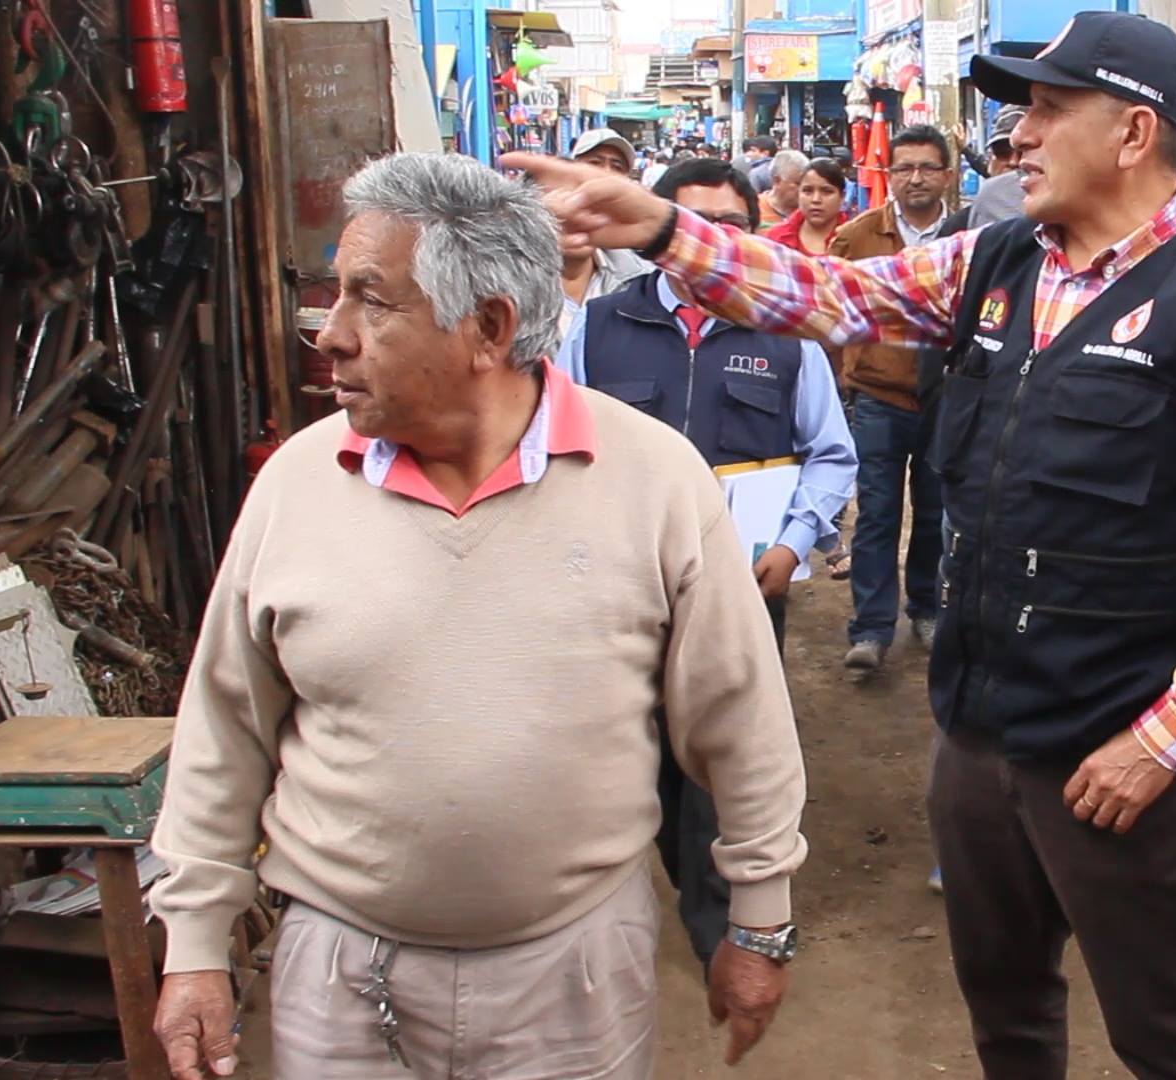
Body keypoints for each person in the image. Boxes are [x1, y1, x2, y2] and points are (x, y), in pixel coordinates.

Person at [509, 11, 1176, 1076]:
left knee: (1164, 1035)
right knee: (1006, 1011)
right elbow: (834, 295)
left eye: (1049, 109)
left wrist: (1162, 742)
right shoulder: (1000, 259)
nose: (1018, 133)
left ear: (1134, 133)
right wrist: (663, 230)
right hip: (977, 732)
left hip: (1113, 752)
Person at [147, 152, 806, 1080]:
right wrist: (193, 944)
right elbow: (224, 727)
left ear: (488, 327)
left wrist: (760, 922)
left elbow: (743, 723)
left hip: (574, 975)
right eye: (336, 296)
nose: (330, 335)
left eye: (371, 300)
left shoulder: (654, 479)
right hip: (341, 976)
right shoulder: (298, 481)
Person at [566, 157, 853, 976]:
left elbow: (832, 453)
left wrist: (794, 542)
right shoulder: (601, 325)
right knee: (643, 742)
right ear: (656, 232)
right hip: (628, 582)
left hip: (746, 583)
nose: (709, 241)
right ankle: (674, 871)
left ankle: (722, 919)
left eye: (729, 226)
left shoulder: (786, 332)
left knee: (729, 747)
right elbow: (561, 439)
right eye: (690, 222)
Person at [829, 124, 953, 673]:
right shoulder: (856, 239)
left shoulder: (972, 237)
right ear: (888, 175)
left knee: (935, 513)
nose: (915, 178)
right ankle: (872, 629)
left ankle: (926, 608)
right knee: (876, 514)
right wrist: (842, 378)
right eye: (903, 168)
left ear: (947, 175)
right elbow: (828, 311)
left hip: (945, 400)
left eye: (927, 167)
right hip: (877, 397)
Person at [556, 129, 652, 316]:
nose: (605, 173)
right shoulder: (519, 266)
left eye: (616, 167)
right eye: (595, 163)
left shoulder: (639, 273)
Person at [765, 157, 850, 255]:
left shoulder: (856, 240)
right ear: (798, 194)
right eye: (808, 191)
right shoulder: (776, 240)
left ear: (842, 197)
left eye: (826, 191)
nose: (816, 199)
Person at [968, 107, 1028, 228]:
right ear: (991, 157)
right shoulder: (957, 225)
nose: (1013, 162)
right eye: (1002, 152)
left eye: (1024, 151)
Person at [760, 149, 809, 232]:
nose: (804, 189)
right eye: (798, 183)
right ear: (777, 181)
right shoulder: (753, 208)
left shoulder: (812, 211)